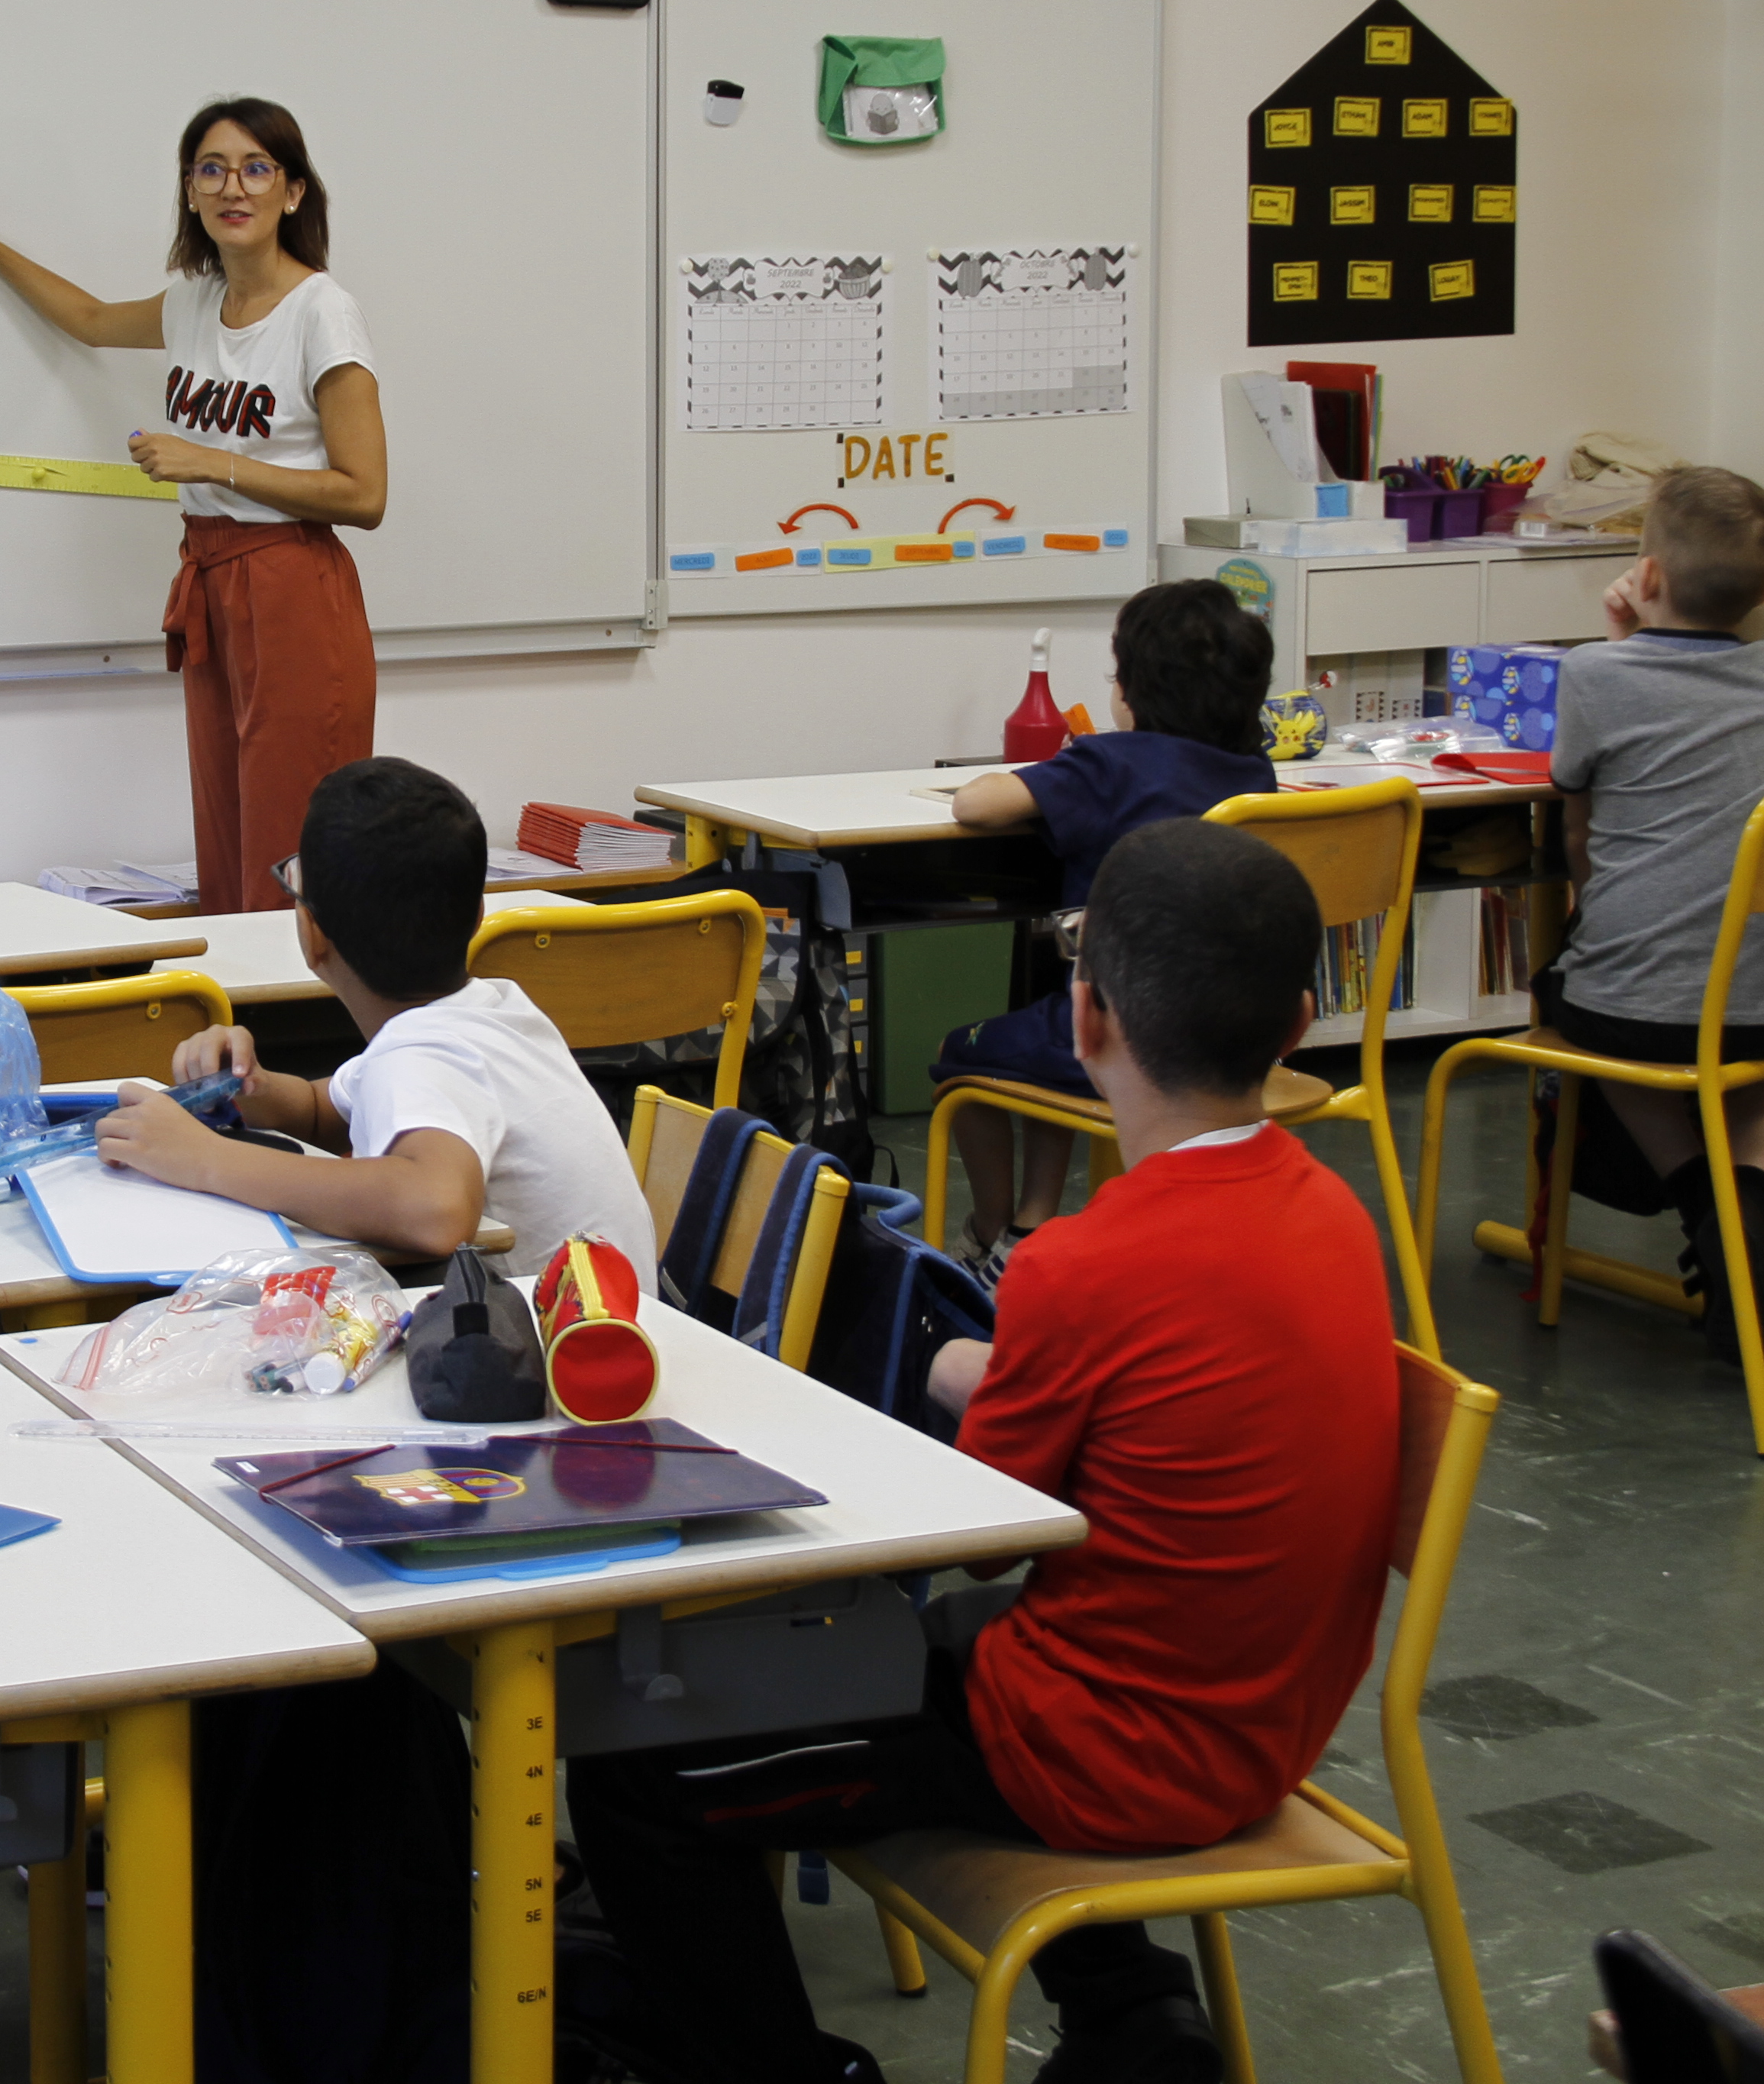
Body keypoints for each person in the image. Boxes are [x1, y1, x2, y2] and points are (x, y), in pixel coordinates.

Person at [566, 820, 1401, 2084]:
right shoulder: (1333, 1218)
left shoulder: (1081, 1265)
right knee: (956, 1647)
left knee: (638, 1767)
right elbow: (1131, 1419)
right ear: (1296, 1025)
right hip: (1266, 1714)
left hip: (1100, 1754)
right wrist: (986, 1367)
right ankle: (1132, 2017)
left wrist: (944, 1365)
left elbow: (972, 1531)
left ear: (1084, 1019)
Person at [0, 99, 386, 913]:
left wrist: (215, 462)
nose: (231, 187)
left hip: (292, 592)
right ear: (189, 191)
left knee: (286, 854)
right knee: (226, 838)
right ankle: (236, 1031)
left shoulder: (322, 310)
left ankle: (285, 1028)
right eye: (210, 169)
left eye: (255, 168)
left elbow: (365, 493)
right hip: (210, 581)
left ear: (293, 192)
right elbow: (92, 320)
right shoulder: (193, 303)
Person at [98, 755, 652, 1271]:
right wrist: (251, 1086)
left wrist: (205, 1159)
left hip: (552, 1361)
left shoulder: (421, 1059)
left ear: (312, 934)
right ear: (479, 914)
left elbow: (435, 1209)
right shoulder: (494, 1012)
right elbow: (322, 1111)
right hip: (617, 1336)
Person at [1538, 465, 1764, 1364]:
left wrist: (1616, 636)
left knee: (1591, 1025)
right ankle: (1751, 1198)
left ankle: (1706, 1205)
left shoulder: (1595, 674)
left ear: (1646, 576)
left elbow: (1576, 813)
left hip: (1637, 1005)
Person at [933, 580, 1279, 1276]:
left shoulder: (1109, 764)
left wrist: (1050, 768)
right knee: (1047, 1023)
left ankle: (990, 1229)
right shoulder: (1255, 775)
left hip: (1114, 1034)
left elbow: (976, 805)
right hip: (1229, 1042)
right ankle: (1031, 1225)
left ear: (1135, 689)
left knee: (960, 1059)